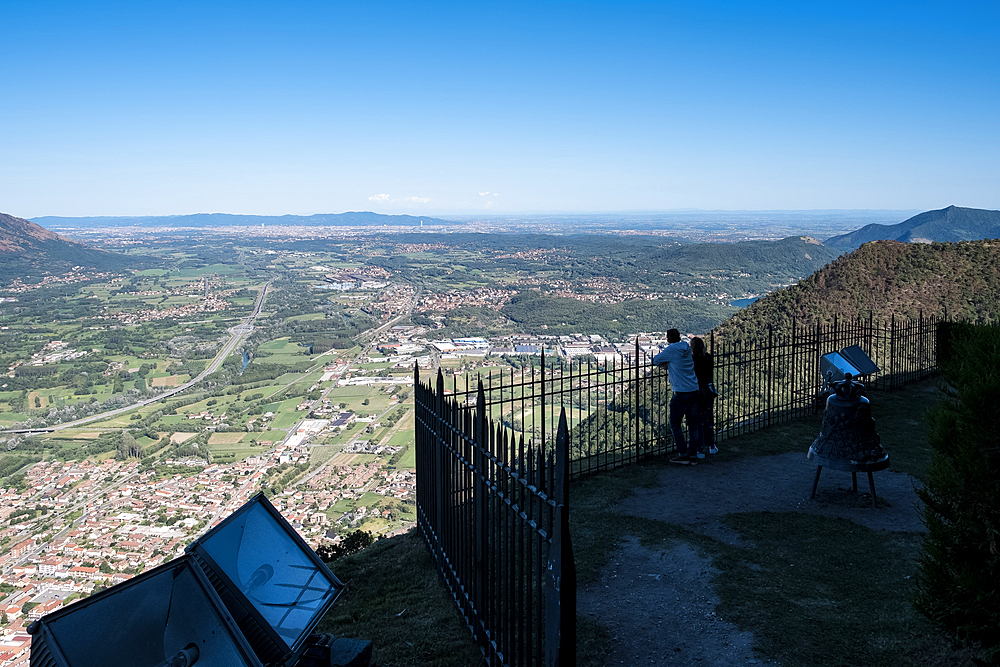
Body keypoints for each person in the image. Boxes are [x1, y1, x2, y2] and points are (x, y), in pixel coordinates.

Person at [652, 329, 701, 465]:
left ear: (668, 338)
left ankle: (683, 454)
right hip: (694, 389)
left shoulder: (672, 350)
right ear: (679, 337)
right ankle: (693, 455)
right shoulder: (686, 347)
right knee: (693, 425)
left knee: (675, 423)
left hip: (681, 391)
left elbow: (655, 360)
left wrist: (667, 364)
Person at [691, 336, 718, 455]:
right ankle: (711, 445)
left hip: (696, 390)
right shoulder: (708, 357)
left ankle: (700, 448)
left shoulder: (692, 359)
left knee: (697, 419)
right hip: (708, 390)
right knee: (708, 418)